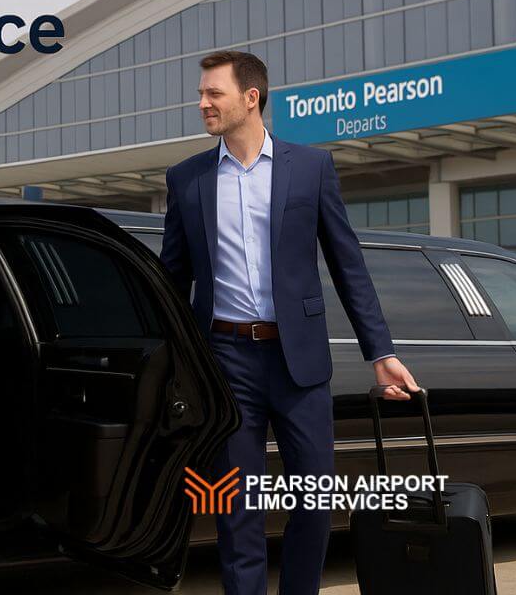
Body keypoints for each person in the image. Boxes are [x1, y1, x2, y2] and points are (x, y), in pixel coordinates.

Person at [159, 50, 419, 595]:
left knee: (316, 503)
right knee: (236, 509)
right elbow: (172, 280)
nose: (202, 102)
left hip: (299, 362)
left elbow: (349, 265)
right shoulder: (187, 179)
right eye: (201, 93)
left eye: (214, 94)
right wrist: (169, 362)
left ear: (251, 98)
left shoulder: (310, 167)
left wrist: (382, 352)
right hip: (225, 363)